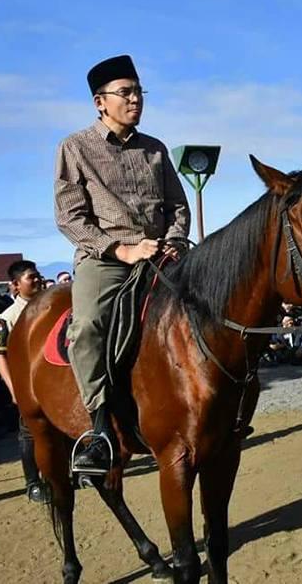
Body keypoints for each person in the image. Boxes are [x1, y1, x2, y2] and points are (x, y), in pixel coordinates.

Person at [54, 54, 190, 475]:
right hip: (106, 260)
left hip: (162, 253)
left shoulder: (156, 149)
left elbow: (178, 206)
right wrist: (123, 250)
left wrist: (171, 242)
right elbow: (70, 217)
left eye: (138, 92)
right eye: (125, 93)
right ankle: (98, 430)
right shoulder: (75, 147)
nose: (135, 100)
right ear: (100, 101)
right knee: (89, 325)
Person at [0, 260, 50, 503]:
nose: (37, 280)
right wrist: (13, 389)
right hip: (26, 385)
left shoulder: (50, 307)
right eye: (30, 277)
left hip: (50, 382)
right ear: (15, 285)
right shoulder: (7, 318)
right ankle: (33, 482)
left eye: (38, 276)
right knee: (29, 434)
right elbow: (0, 355)